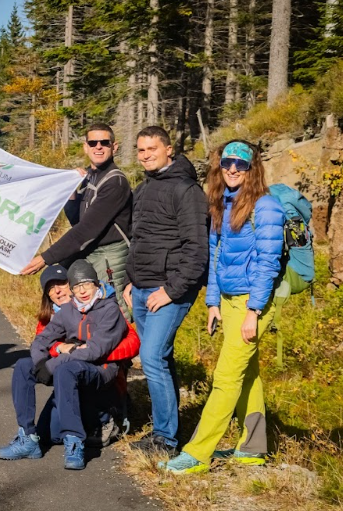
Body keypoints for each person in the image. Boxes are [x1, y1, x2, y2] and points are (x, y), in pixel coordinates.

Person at [162, 141, 283, 474]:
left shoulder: (266, 207)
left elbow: (267, 265)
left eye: (240, 165)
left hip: (252, 303)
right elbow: (215, 257)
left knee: (226, 378)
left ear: (252, 169)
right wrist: (213, 301)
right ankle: (254, 449)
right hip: (229, 301)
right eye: (227, 163)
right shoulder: (222, 204)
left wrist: (253, 312)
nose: (232, 169)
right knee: (248, 376)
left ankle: (198, 454)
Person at [124, 126, 209, 456]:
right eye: (141, 150)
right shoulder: (144, 189)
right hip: (143, 289)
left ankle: (165, 441)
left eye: (152, 149)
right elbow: (141, 240)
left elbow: (196, 248)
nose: (146, 155)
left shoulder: (186, 189)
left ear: (168, 150)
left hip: (168, 290)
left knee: (150, 358)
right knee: (162, 359)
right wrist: (132, 281)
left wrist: (172, 291)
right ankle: (168, 431)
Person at [0, 261, 129, 470]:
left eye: (86, 284)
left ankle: (74, 442)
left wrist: (55, 363)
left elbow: (94, 351)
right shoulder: (68, 310)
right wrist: (40, 362)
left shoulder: (110, 309)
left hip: (101, 370)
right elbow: (42, 339)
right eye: (77, 286)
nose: (82, 290)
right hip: (72, 367)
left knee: (65, 370)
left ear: (95, 283)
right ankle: (27, 438)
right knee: (23, 366)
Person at [22, 123, 132, 315]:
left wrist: (45, 258)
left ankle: (126, 346)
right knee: (89, 311)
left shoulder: (115, 182)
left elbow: (85, 231)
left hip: (110, 258)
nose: (98, 146)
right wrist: (72, 192)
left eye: (104, 143)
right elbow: (77, 220)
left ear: (114, 147)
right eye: (93, 142)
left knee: (113, 312)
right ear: (86, 147)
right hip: (92, 252)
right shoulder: (89, 178)